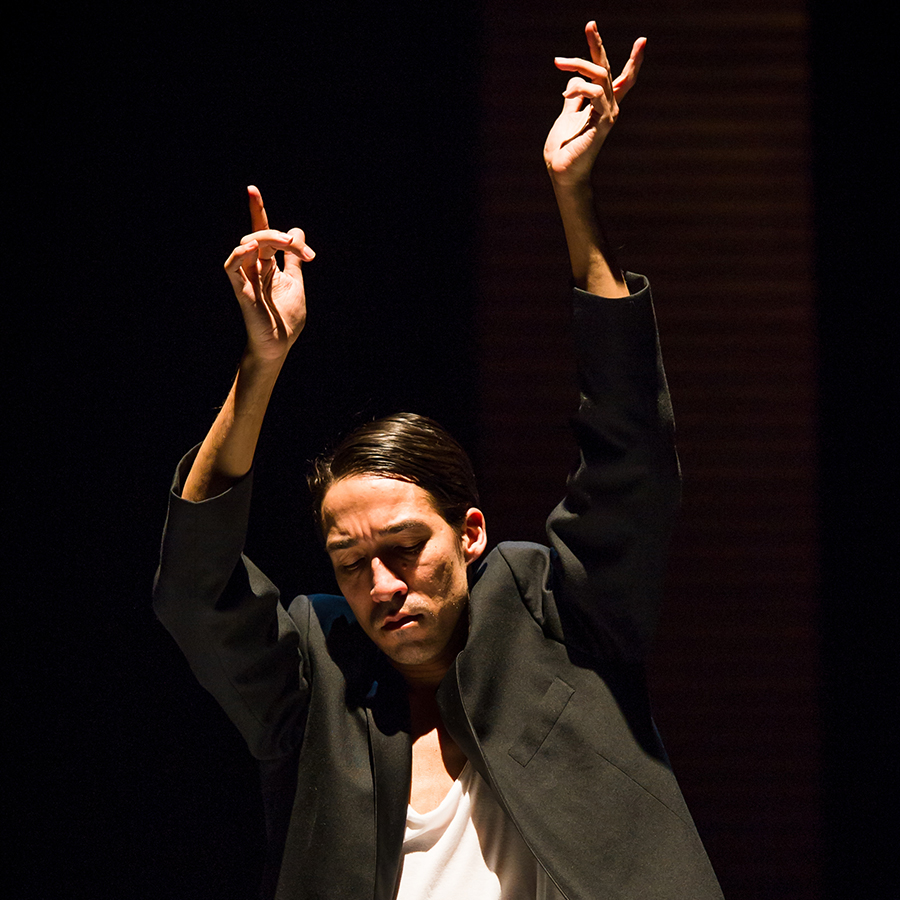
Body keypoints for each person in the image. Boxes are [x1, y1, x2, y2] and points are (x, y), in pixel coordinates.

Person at [154, 22, 724, 900]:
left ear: (471, 532)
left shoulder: (556, 615)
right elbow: (195, 590)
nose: (381, 585)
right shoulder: (318, 675)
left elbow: (631, 453)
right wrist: (260, 366)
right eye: (350, 562)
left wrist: (574, 197)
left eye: (404, 547)